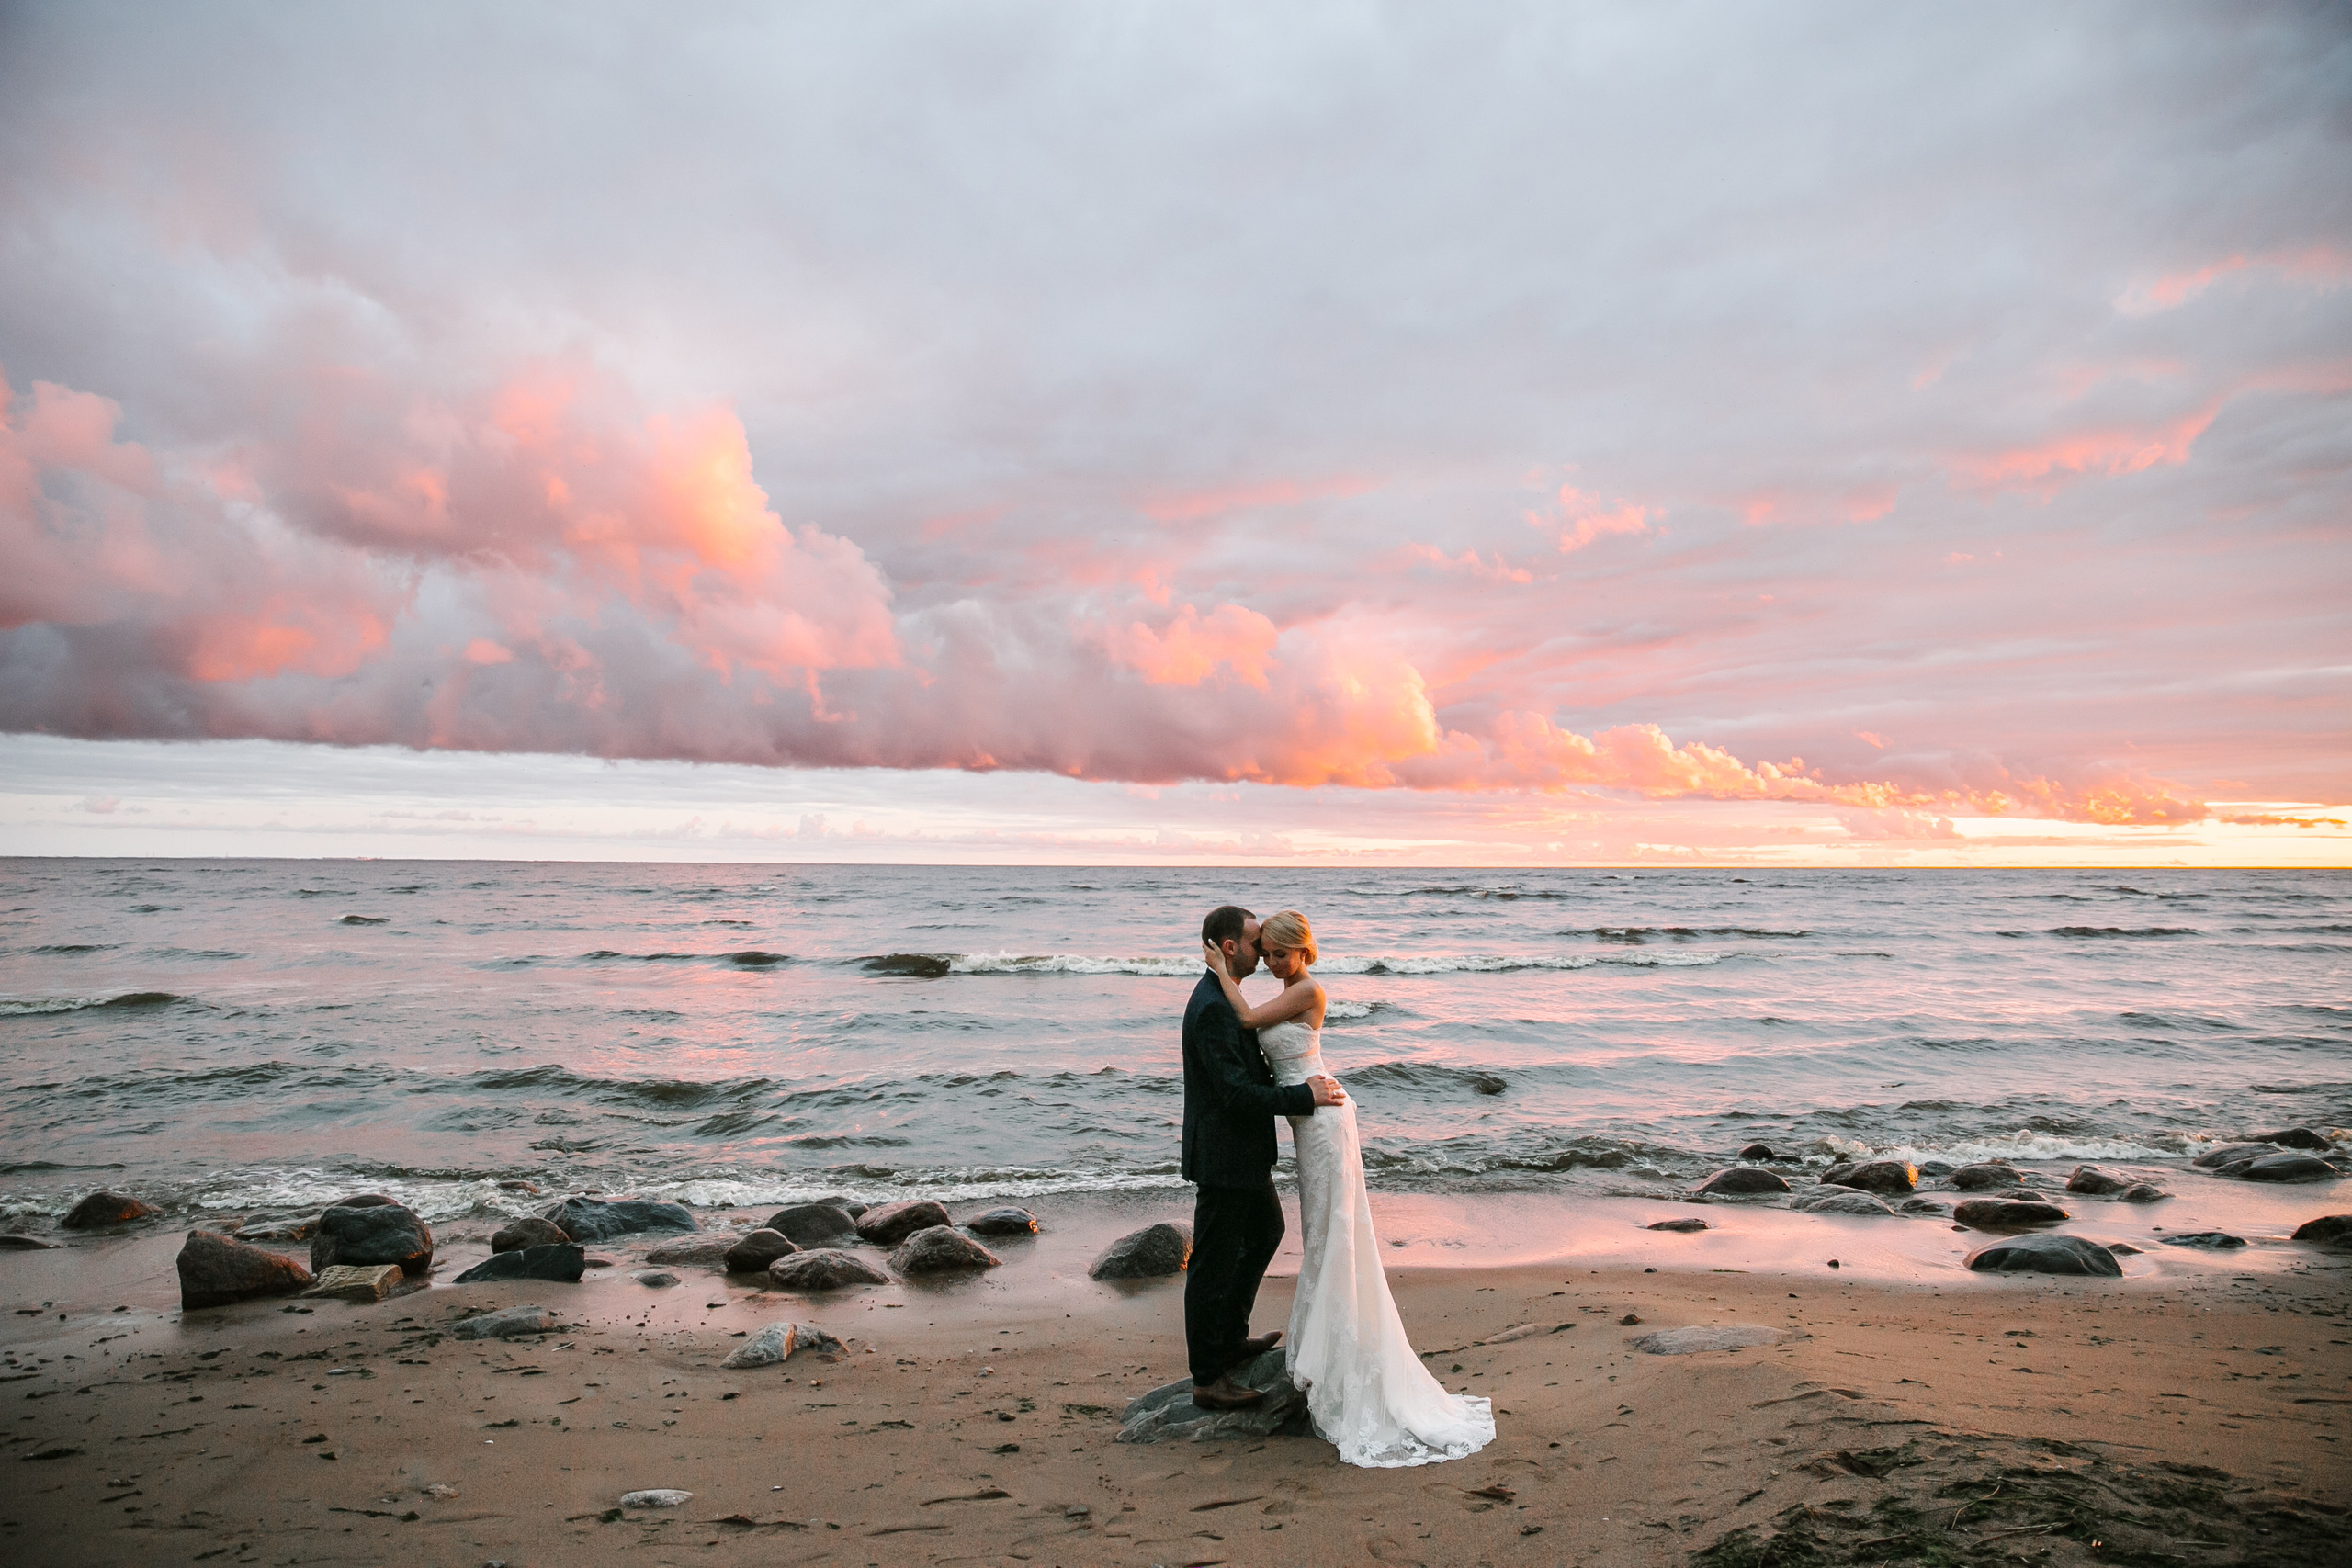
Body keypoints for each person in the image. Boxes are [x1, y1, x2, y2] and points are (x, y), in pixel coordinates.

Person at [1202, 908, 1495, 1467]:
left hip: (1324, 1123)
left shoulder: (1307, 991)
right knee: (1320, 1231)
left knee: (1334, 1230)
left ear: (1304, 953)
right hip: (1307, 1118)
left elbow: (1243, 1022)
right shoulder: (1290, 986)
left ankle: (1341, 1350)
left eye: (1280, 954)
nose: (1271, 962)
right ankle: (1324, 1342)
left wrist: (1221, 971)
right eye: (1265, 954)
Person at [1180, 904, 1346, 1411]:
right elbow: (1234, 1094)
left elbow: (1252, 1071)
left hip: (1243, 1151)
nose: (1264, 954)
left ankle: (1230, 1338)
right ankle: (1209, 1376)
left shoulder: (1224, 997)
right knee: (1211, 1263)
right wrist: (1302, 1097)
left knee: (1265, 1233)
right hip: (1225, 1155)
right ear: (1230, 947)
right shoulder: (1211, 1007)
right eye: (1257, 944)